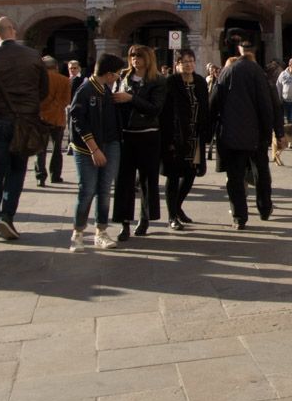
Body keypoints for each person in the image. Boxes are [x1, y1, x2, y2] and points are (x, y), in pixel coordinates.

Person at [0, 17, 49, 242]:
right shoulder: (34, 56)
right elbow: (43, 90)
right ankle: (7, 216)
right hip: (25, 121)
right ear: (14, 30)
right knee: (17, 170)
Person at [212, 35, 279, 229]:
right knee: (261, 172)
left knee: (235, 177)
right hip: (256, 135)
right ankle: (264, 208)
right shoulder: (258, 73)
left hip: (231, 135)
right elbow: (268, 106)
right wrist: (272, 133)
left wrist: (207, 133)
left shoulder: (226, 72)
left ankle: (239, 217)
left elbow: (214, 102)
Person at [68, 53, 125, 251]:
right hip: (88, 149)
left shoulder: (106, 90)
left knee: (104, 190)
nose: (118, 77)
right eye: (117, 74)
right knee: (87, 190)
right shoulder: (86, 90)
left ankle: (101, 231)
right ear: (109, 74)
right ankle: (78, 232)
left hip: (110, 143)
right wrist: (94, 149)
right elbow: (78, 121)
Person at [112, 45, 168, 240]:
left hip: (148, 134)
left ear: (148, 59)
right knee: (123, 180)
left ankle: (144, 219)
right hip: (126, 134)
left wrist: (131, 98)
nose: (135, 59)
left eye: (139, 56)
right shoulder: (122, 77)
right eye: (132, 56)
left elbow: (155, 108)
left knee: (147, 180)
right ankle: (124, 222)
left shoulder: (157, 81)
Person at [161, 48, 209, 230]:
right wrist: (168, 138)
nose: (188, 64)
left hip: (194, 137)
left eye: (191, 61)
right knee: (173, 176)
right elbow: (165, 112)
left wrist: (206, 132)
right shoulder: (170, 82)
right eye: (184, 61)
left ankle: (177, 206)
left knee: (190, 174)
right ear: (177, 64)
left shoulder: (200, 82)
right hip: (176, 136)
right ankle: (172, 216)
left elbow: (205, 107)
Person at [35, 55, 71, 187]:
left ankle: (40, 176)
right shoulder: (65, 80)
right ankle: (55, 175)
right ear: (56, 67)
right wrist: (55, 106)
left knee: (41, 150)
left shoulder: (37, 80)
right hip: (57, 118)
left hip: (41, 118)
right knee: (57, 149)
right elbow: (66, 100)